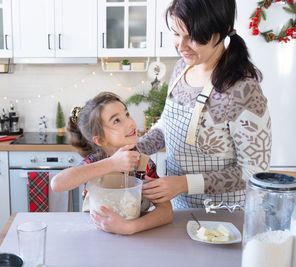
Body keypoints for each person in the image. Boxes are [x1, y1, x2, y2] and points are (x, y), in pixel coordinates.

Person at [138, 0, 271, 209]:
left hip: (224, 218)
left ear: (224, 30)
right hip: (178, 209)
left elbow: (253, 171)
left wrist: (184, 184)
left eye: (192, 37)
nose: (181, 46)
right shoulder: (183, 67)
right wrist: (137, 149)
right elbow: (167, 125)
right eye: (175, 33)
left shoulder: (242, 89)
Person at [51, 92, 173, 235]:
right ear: (100, 140)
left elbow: (166, 211)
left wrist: (130, 227)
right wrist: (112, 163)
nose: (130, 123)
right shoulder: (95, 162)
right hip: (97, 236)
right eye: (116, 121)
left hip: (136, 238)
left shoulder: (143, 163)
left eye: (127, 114)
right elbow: (57, 184)